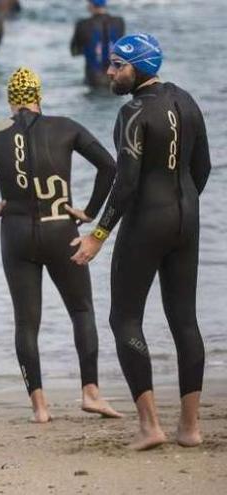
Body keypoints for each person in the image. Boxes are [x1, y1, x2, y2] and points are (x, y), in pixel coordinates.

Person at [0, 67, 122, 423]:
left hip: (17, 234)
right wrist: (88, 211)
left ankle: (39, 407)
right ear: (39, 97)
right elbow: (110, 167)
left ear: (11, 101)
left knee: (26, 322)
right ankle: (91, 393)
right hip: (61, 230)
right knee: (82, 311)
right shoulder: (67, 126)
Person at [71, 34, 211, 451]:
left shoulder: (132, 112)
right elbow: (202, 167)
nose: (110, 72)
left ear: (142, 67)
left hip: (147, 222)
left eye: (118, 66)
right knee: (184, 320)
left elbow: (126, 182)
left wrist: (98, 235)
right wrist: (177, 204)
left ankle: (150, 426)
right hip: (188, 218)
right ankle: (190, 428)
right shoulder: (186, 99)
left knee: (124, 318)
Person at [70, 0, 126, 88]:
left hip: (93, 79)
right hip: (115, 76)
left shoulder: (82, 24)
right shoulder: (119, 22)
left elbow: (74, 51)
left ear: (91, 5)